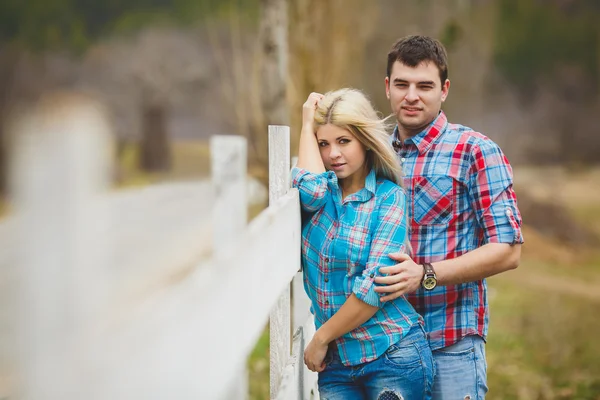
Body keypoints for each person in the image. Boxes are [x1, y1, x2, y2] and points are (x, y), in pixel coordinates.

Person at [373, 35, 524, 399]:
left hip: (449, 343)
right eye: (402, 85)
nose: (412, 96)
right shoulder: (371, 153)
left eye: (425, 86)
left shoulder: (475, 151)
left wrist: (424, 276)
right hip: (382, 348)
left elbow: (508, 250)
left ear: (444, 90)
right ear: (387, 88)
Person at [292, 88, 434, 399]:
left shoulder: (389, 198)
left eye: (344, 141)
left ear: (365, 141)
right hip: (338, 365)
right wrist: (306, 125)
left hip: (392, 355)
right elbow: (309, 190)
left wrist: (321, 338)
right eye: (323, 144)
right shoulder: (321, 197)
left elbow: (374, 286)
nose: (333, 154)